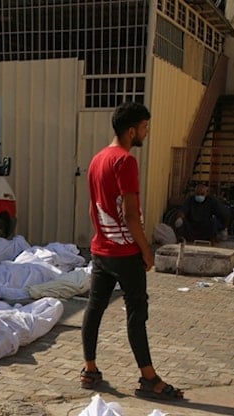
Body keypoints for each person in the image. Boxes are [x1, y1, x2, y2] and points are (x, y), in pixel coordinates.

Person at [80, 102, 183, 400]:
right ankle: (149, 378)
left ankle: (90, 369)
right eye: (145, 128)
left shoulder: (97, 159)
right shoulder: (125, 161)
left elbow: (92, 208)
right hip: (125, 254)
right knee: (137, 312)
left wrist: (101, 239)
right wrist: (146, 250)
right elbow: (131, 214)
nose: (146, 133)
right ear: (131, 130)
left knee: (94, 307)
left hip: (101, 251)